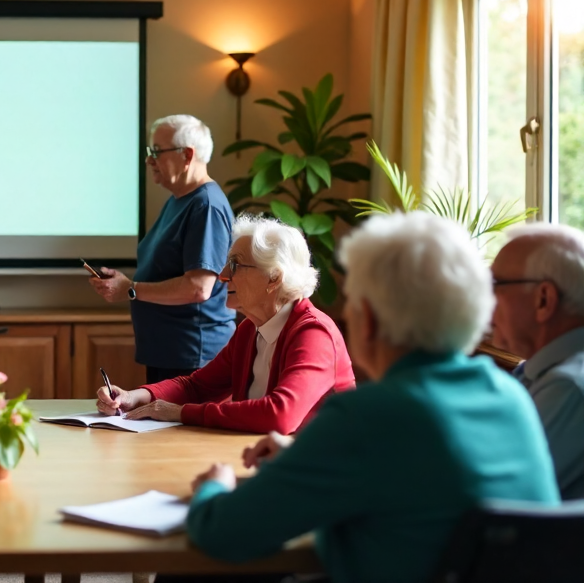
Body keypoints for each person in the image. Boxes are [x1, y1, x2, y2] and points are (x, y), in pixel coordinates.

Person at [182, 212, 559, 583]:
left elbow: (220, 532)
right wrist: (309, 457)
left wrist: (215, 486)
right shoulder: (513, 397)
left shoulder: (367, 415)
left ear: (367, 317)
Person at [96, 215, 355, 434]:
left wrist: (182, 413)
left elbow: (280, 415)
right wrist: (133, 397)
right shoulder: (249, 330)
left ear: (274, 278)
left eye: (235, 264)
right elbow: (196, 387)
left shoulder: (314, 333)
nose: (222, 275)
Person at [89, 115, 236, 383]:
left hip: (193, 356)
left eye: (156, 151)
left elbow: (198, 288)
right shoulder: (179, 201)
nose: (149, 160)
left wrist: (131, 289)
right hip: (169, 353)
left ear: (187, 155)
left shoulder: (206, 206)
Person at [490, 223, 584, 499]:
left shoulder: (568, 388)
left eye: (496, 285)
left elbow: (499, 494)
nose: (485, 300)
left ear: (544, 299)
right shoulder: (536, 371)